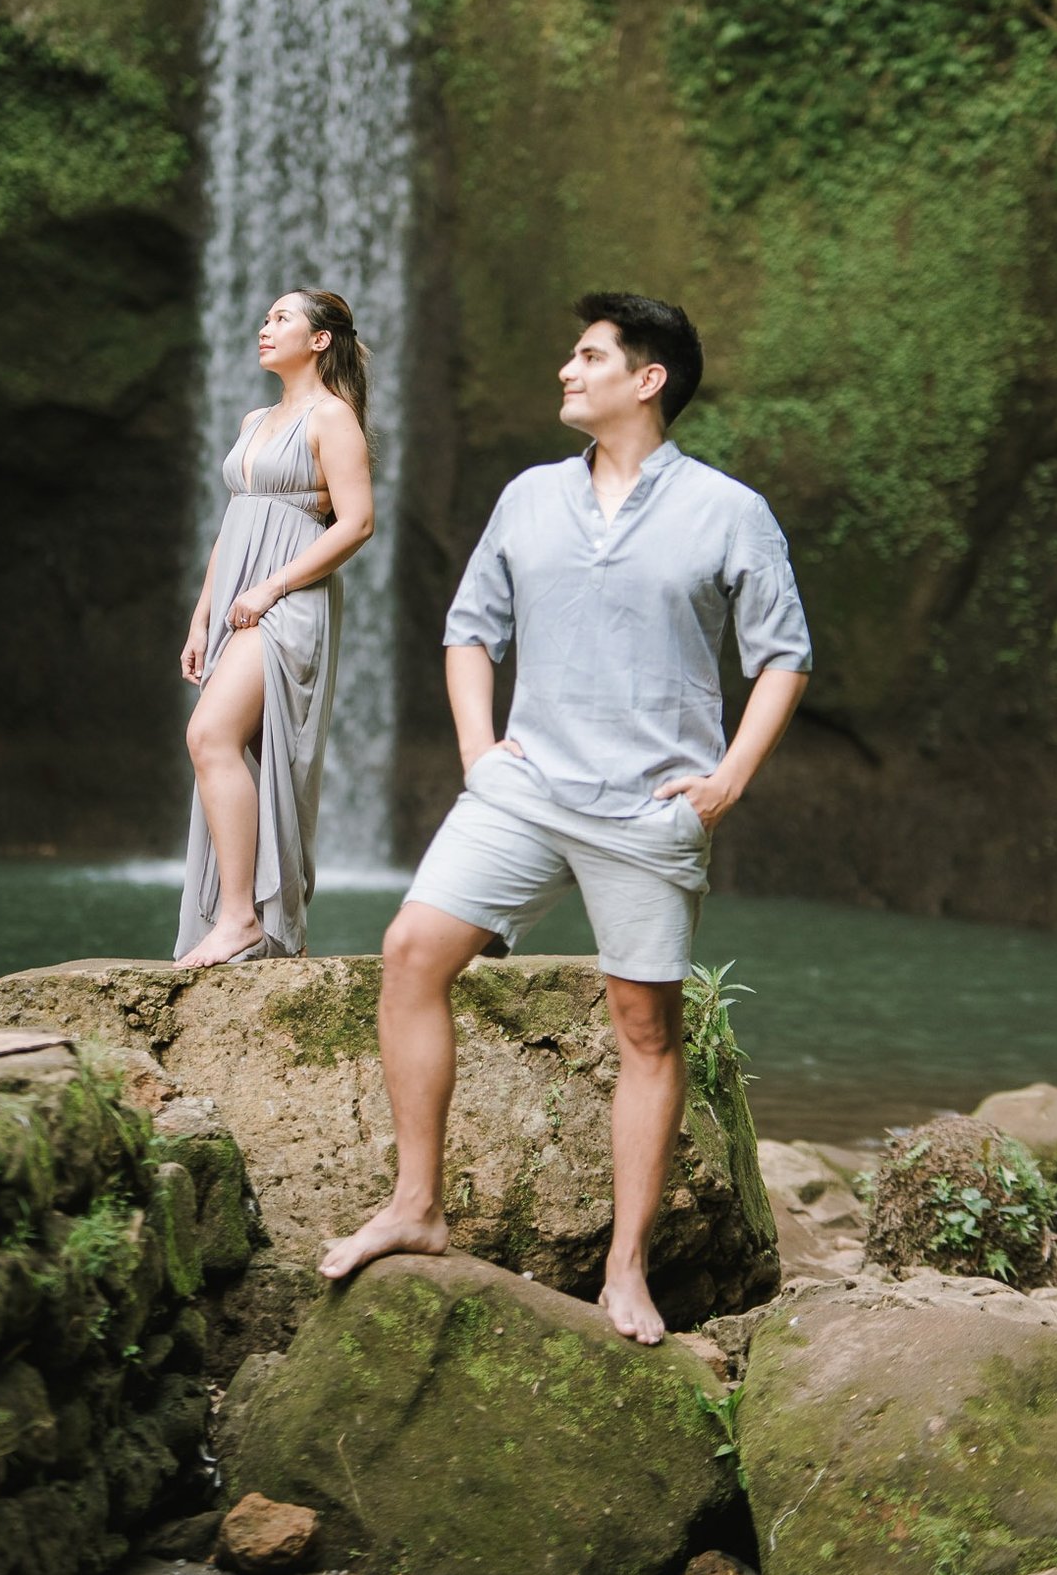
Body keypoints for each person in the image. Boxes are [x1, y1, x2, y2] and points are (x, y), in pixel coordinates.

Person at [320, 291, 811, 1342]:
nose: (564, 370)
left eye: (588, 356)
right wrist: (475, 751)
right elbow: (469, 631)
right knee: (411, 953)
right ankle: (417, 1206)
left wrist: (727, 780)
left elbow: (783, 657)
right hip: (526, 790)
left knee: (645, 1028)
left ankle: (625, 1271)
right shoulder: (529, 496)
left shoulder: (729, 510)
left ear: (648, 381)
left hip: (649, 807)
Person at [174, 289, 374, 968]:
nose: (265, 328)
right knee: (237, 751)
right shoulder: (256, 417)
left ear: (319, 341)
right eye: (264, 318)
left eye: (281, 319)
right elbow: (234, 522)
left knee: (209, 735)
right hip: (239, 598)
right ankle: (269, 921)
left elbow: (357, 522)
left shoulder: (331, 417)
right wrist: (202, 616)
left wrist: (272, 586)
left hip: (286, 599)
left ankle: (240, 919)